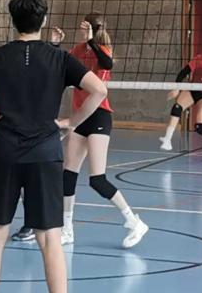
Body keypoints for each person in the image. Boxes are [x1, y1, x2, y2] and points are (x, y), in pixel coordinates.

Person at [0, 0, 108, 293]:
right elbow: (99, 90)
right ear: (44, 20)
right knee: (50, 239)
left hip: (5, 152)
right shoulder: (59, 58)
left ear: (13, 20)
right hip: (45, 153)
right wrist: (72, 122)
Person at [54, 13, 148, 248]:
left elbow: (107, 64)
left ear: (92, 30)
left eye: (85, 27)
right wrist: (55, 44)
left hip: (98, 116)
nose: (81, 30)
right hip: (79, 117)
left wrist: (91, 40)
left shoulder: (103, 50)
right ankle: (67, 230)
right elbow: (59, 65)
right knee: (68, 176)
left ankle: (134, 222)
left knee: (97, 179)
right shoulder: (78, 50)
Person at [159, 39, 202, 163]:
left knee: (200, 126)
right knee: (177, 107)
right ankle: (167, 139)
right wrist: (176, 88)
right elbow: (182, 73)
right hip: (193, 89)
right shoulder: (199, 59)